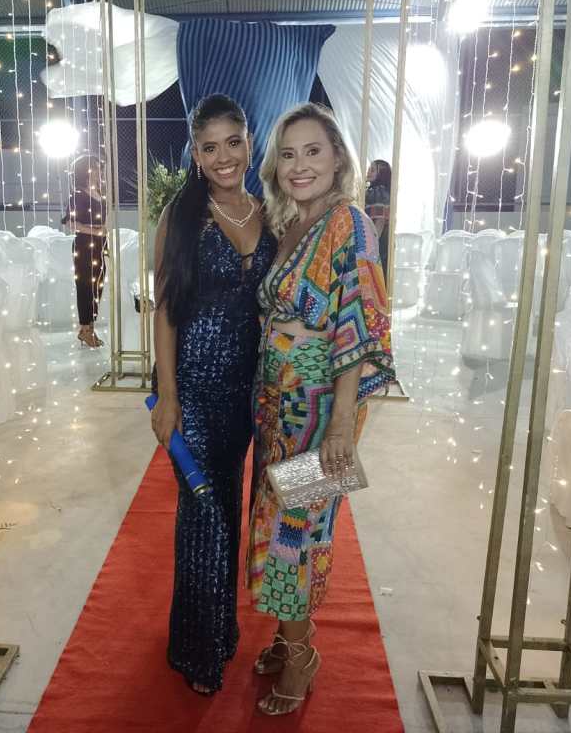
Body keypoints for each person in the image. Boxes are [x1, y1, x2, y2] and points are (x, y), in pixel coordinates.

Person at [247, 103, 394, 715]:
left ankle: (303, 654)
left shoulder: (349, 223)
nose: (299, 165)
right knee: (275, 521)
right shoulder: (291, 224)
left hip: (319, 409)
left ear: (337, 158)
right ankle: (289, 636)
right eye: (288, 154)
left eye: (313, 151)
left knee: (298, 531)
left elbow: (357, 323)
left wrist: (339, 426)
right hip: (279, 407)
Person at [150, 94, 276, 695]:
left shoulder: (269, 212)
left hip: (250, 392)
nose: (224, 157)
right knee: (204, 517)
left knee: (234, 508)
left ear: (249, 142)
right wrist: (167, 395)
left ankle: (219, 631)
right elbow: (165, 310)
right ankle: (198, 652)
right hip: (195, 390)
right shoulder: (182, 218)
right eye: (209, 147)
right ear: (195, 154)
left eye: (233, 142)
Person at [63, 154, 107, 347]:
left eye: (99, 168)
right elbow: (71, 223)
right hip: (84, 245)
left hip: (99, 246)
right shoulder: (78, 195)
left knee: (97, 285)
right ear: (85, 171)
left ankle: (91, 326)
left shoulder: (99, 194)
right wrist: (95, 231)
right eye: (95, 168)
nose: (99, 171)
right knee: (85, 287)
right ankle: (84, 329)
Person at [365, 158, 392, 281]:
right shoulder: (379, 191)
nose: (368, 172)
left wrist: (371, 246)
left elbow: (379, 221)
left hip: (376, 239)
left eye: (372, 170)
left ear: (381, 174)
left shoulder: (378, 192)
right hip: (378, 239)